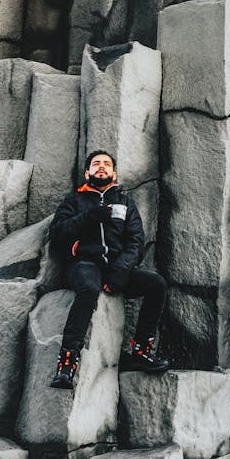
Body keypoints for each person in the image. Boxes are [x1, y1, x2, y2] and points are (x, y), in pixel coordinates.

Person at [49, 149, 169, 388]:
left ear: (114, 173)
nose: (101, 166)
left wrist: (121, 270)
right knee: (89, 289)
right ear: (87, 172)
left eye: (106, 164)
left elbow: (136, 241)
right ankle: (66, 364)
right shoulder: (74, 201)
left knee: (156, 284)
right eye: (96, 164)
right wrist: (90, 216)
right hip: (84, 264)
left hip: (116, 268)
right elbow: (58, 234)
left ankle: (141, 351)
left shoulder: (125, 203)